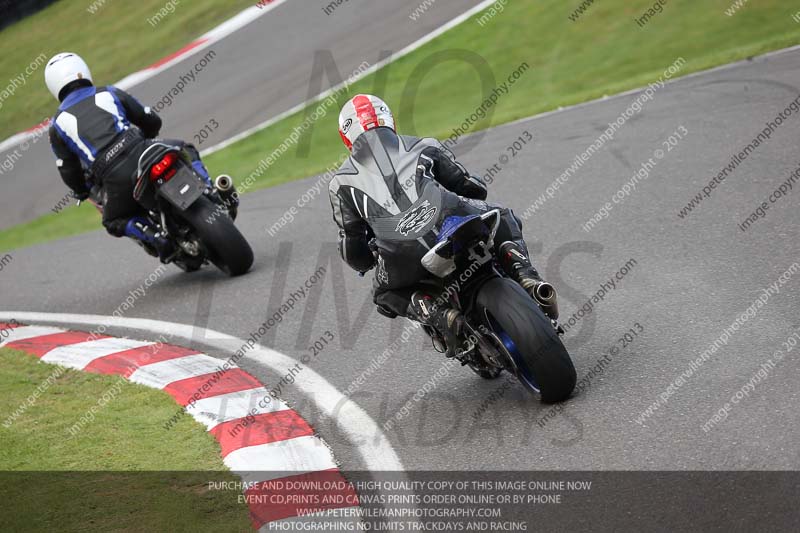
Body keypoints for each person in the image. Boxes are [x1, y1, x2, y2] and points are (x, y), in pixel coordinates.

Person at [328, 94, 558, 356]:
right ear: (388, 119)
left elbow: (351, 245)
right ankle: (526, 276)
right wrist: (476, 187)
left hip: (402, 254)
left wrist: (365, 261)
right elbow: (469, 186)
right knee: (502, 215)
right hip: (452, 222)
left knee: (384, 293)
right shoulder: (422, 144)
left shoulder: (340, 184)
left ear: (346, 137)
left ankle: (440, 316)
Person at [44, 52, 215, 262]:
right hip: (142, 149)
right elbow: (150, 119)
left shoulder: (57, 126)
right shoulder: (108, 92)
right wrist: (149, 134)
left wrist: (80, 191)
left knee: (113, 220)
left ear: (53, 87)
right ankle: (208, 187)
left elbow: (68, 170)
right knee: (185, 148)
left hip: (114, 177)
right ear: (83, 71)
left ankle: (154, 237)